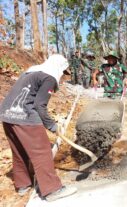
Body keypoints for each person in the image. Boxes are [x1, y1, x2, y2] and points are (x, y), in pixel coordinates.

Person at [0, 54, 77, 201]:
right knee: (42, 152)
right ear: (59, 67)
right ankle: (52, 190)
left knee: (19, 151)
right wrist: (52, 125)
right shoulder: (49, 77)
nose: (62, 76)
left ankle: (23, 184)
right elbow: (39, 106)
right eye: (63, 72)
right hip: (25, 116)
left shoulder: (31, 72)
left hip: (7, 114)